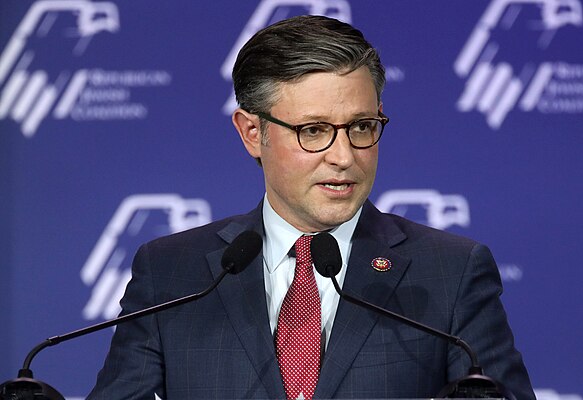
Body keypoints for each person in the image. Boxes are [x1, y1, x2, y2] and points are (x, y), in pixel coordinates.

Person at [88, 15, 535, 399]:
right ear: (251, 132)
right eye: (314, 130)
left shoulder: (450, 273)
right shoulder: (171, 272)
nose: (344, 156)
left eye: (361, 126)